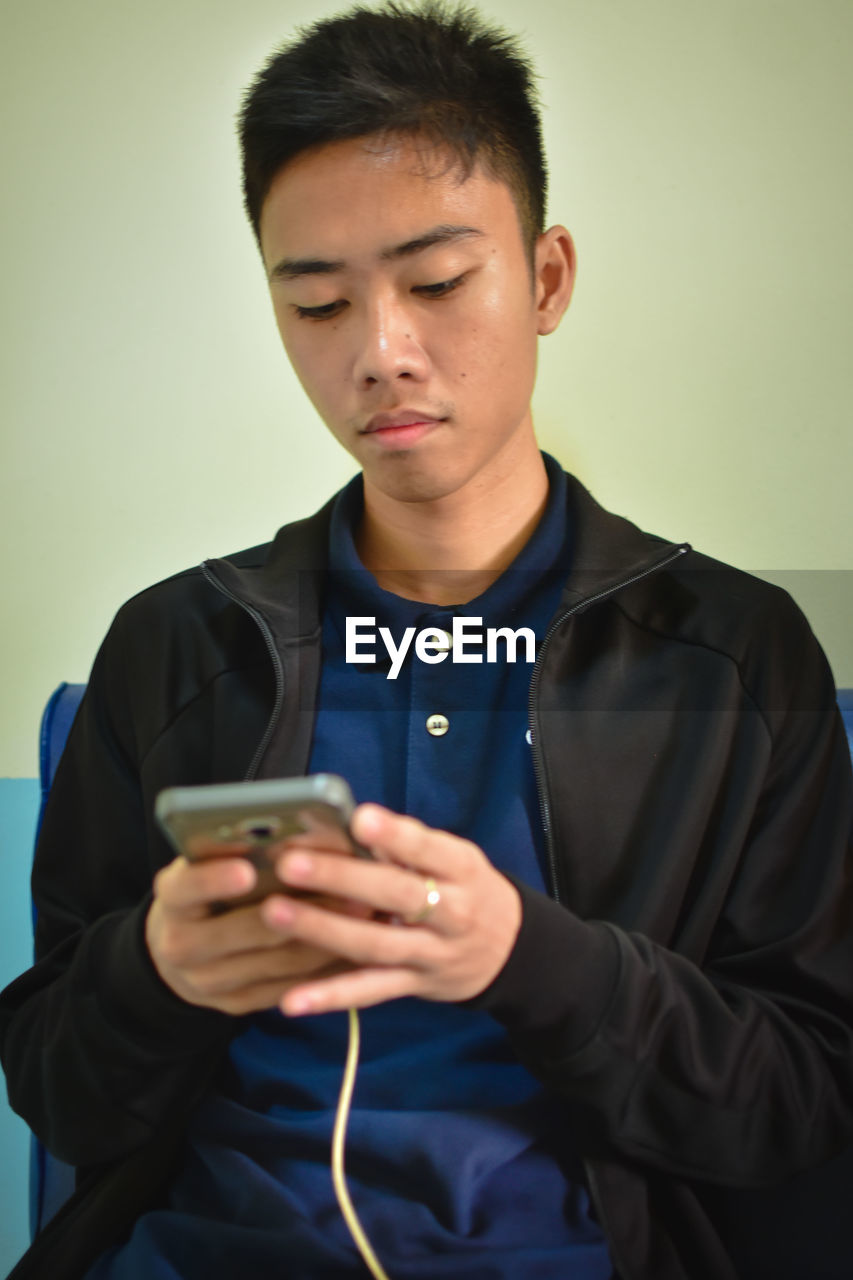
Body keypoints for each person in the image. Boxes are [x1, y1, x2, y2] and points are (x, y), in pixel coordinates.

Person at [2, 3, 852, 1278]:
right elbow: (62, 1096)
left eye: (438, 282)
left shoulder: (730, 651)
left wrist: (526, 955)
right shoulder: (178, 645)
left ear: (547, 276)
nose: (380, 354)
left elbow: (801, 1099)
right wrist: (154, 968)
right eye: (318, 303)